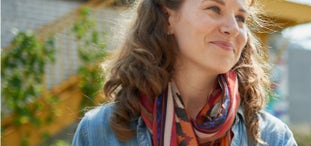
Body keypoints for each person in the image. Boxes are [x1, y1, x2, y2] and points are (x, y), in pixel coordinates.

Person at [72, 0, 296, 145]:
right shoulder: (98, 131)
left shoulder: (271, 137)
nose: (233, 28)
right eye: (214, 9)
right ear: (168, 18)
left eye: (240, 17)